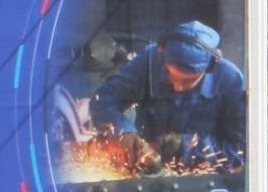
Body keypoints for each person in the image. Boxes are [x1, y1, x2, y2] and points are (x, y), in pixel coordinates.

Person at [87, 19, 248, 160]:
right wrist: (123, 132)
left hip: (203, 176)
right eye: (172, 76)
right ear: (162, 53)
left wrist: (185, 148)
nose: (178, 86)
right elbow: (103, 99)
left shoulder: (230, 80)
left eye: (188, 81)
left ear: (210, 67)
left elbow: (239, 150)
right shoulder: (150, 61)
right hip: (144, 166)